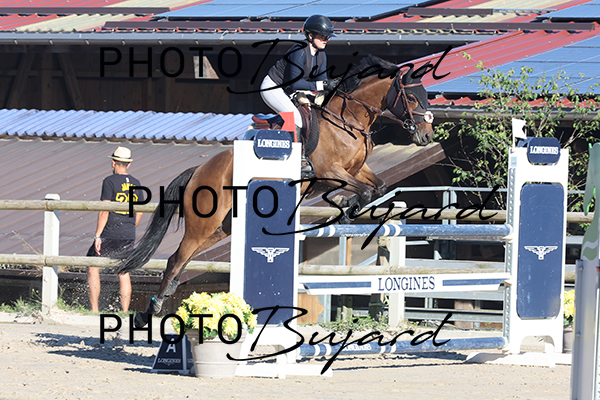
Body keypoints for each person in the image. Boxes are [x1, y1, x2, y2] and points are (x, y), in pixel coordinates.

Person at [260, 14, 338, 174]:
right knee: (295, 117)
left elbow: (322, 80)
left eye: (328, 37)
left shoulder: (321, 54)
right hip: (273, 87)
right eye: (323, 36)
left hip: (291, 91)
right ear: (310, 35)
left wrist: (330, 87)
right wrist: (322, 85)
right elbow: (295, 83)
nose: (326, 39)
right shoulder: (299, 50)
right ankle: (296, 159)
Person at [86, 146, 144, 313]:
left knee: (92, 266)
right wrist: (131, 227)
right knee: (123, 271)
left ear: (113, 162)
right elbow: (140, 211)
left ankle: (94, 310)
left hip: (110, 231)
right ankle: (124, 311)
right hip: (128, 233)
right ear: (129, 164)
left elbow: (104, 211)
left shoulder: (109, 181)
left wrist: (98, 235)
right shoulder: (136, 183)